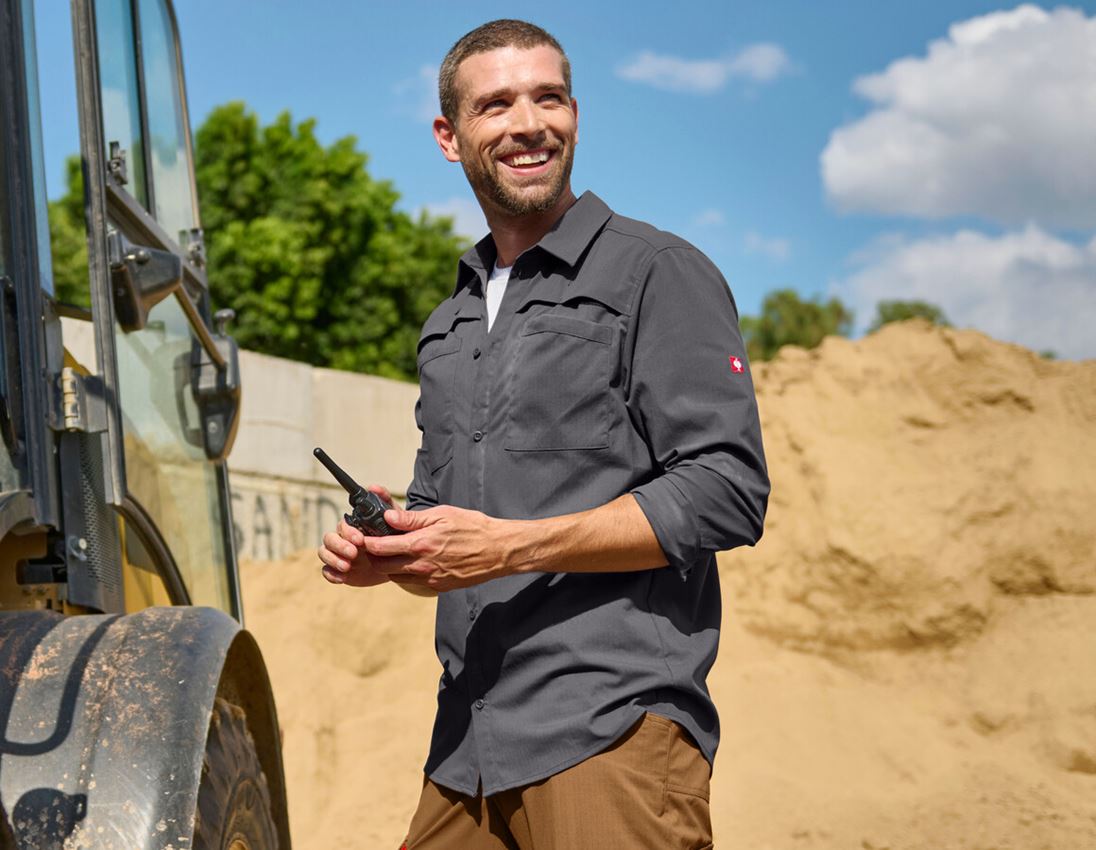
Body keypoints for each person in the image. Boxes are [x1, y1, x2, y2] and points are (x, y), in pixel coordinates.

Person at [317, 19, 769, 850]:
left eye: (548, 97)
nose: (528, 123)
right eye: (496, 104)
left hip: (610, 729)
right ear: (450, 138)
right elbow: (457, 546)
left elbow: (727, 492)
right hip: (467, 747)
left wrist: (510, 547)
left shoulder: (656, 272)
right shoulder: (447, 324)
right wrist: (394, 552)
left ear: (574, 115)